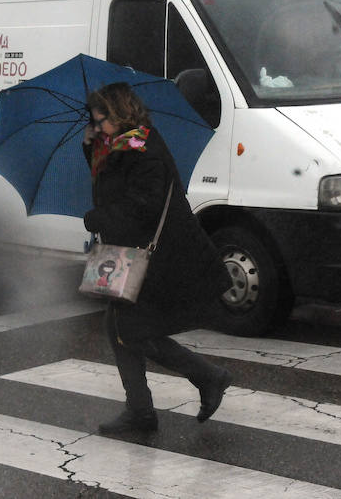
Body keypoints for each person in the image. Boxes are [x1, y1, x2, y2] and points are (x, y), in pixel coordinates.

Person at [82, 81, 234, 434]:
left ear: (119, 114)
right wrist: (90, 146)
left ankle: (202, 380)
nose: (97, 125)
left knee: (127, 328)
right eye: (94, 120)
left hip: (152, 253)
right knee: (118, 327)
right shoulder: (117, 144)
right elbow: (110, 180)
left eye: (101, 119)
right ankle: (148, 406)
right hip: (122, 250)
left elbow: (143, 206)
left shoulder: (144, 147)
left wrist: (99, 218)